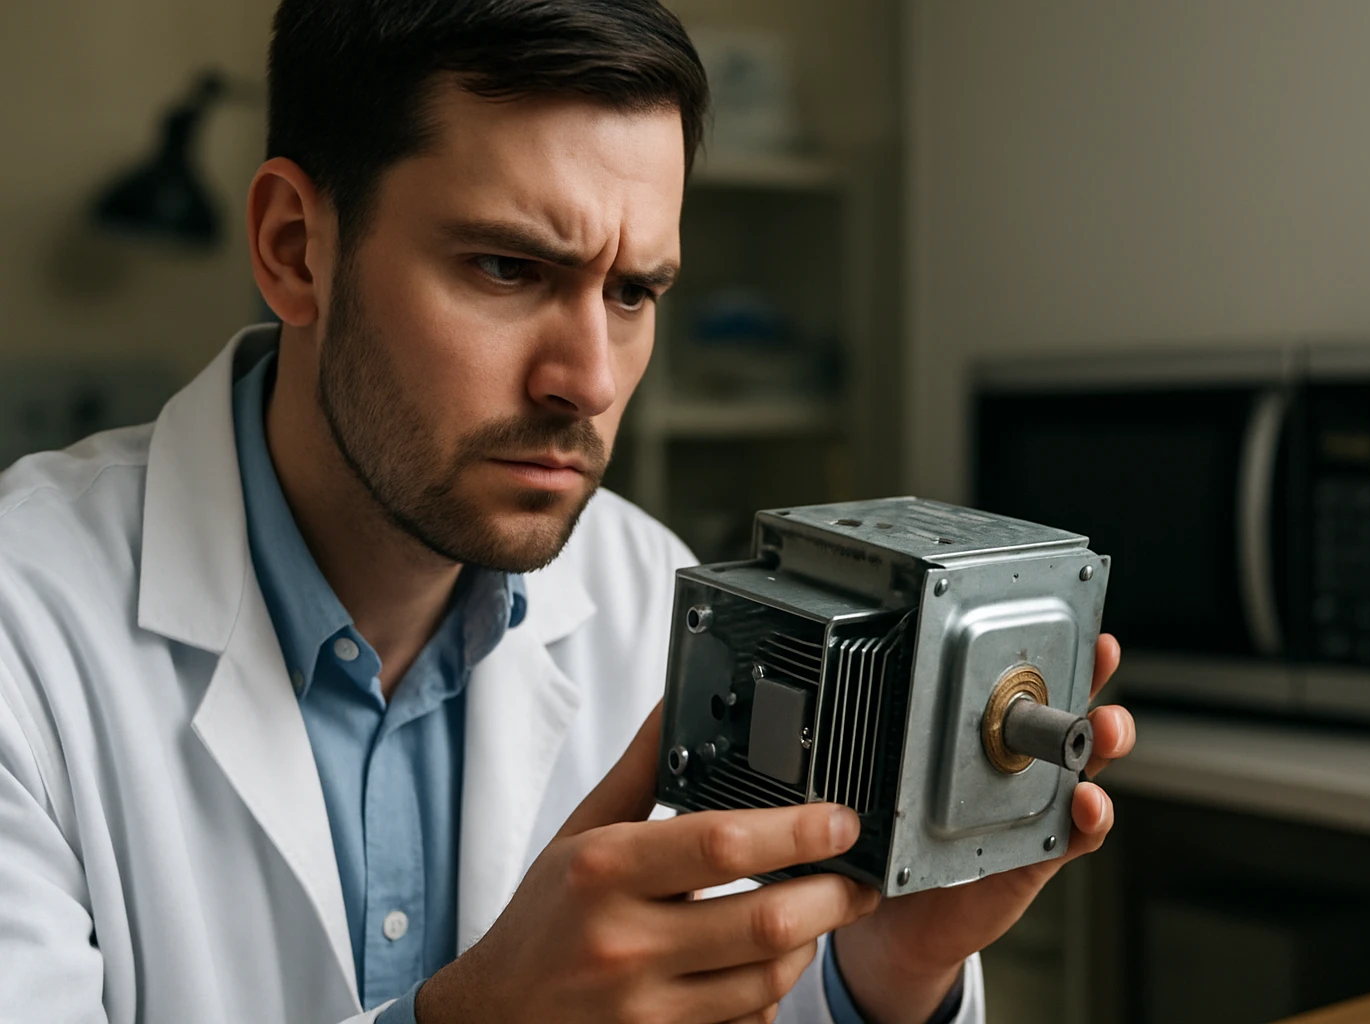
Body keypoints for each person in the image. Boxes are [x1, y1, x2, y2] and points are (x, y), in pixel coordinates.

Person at [0, 2, 1137, 1021]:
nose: (588, 380)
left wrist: (879, 976)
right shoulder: (26, 625)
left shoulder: (652, 593)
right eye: (507, 268)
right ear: (295, 249)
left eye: (634, 291)